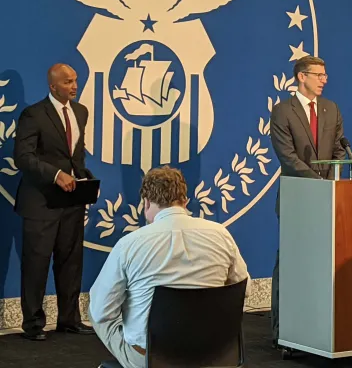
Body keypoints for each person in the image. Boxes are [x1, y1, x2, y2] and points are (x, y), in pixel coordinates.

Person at [89, 166, 251, 368]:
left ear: (146, 203)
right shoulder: (221, 235)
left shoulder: (129, 244)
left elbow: (100, 310)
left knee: (98, 313)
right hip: (215, 355)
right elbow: (244, 289)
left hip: (153, 360)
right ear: (185, 201)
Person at [14, 63, 94, 341]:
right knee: (36, 264)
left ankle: (69, 319)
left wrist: (85, 179)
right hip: (40, 203)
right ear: (53, 86)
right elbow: (23, 157)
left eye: (76, 81)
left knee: (71, 262)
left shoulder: (81, 112)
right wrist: (56, 174)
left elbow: (75, 156)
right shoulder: (33, 115)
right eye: (68, 82)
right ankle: (34, 324)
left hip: (72, 202)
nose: (75, 86)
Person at [269, 55, 345, 346]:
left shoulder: (331, 109)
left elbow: (339, 148)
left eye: (325, 75)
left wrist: (331, 180)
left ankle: (319, 324)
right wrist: (319, 183)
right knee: (290, 261)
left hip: (328, 198)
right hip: (298, 198)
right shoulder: (282, 111)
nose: (324, 80)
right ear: (301, 77)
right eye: (318, 75)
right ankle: (282, 327)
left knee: (324, 261)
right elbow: (288, 158)